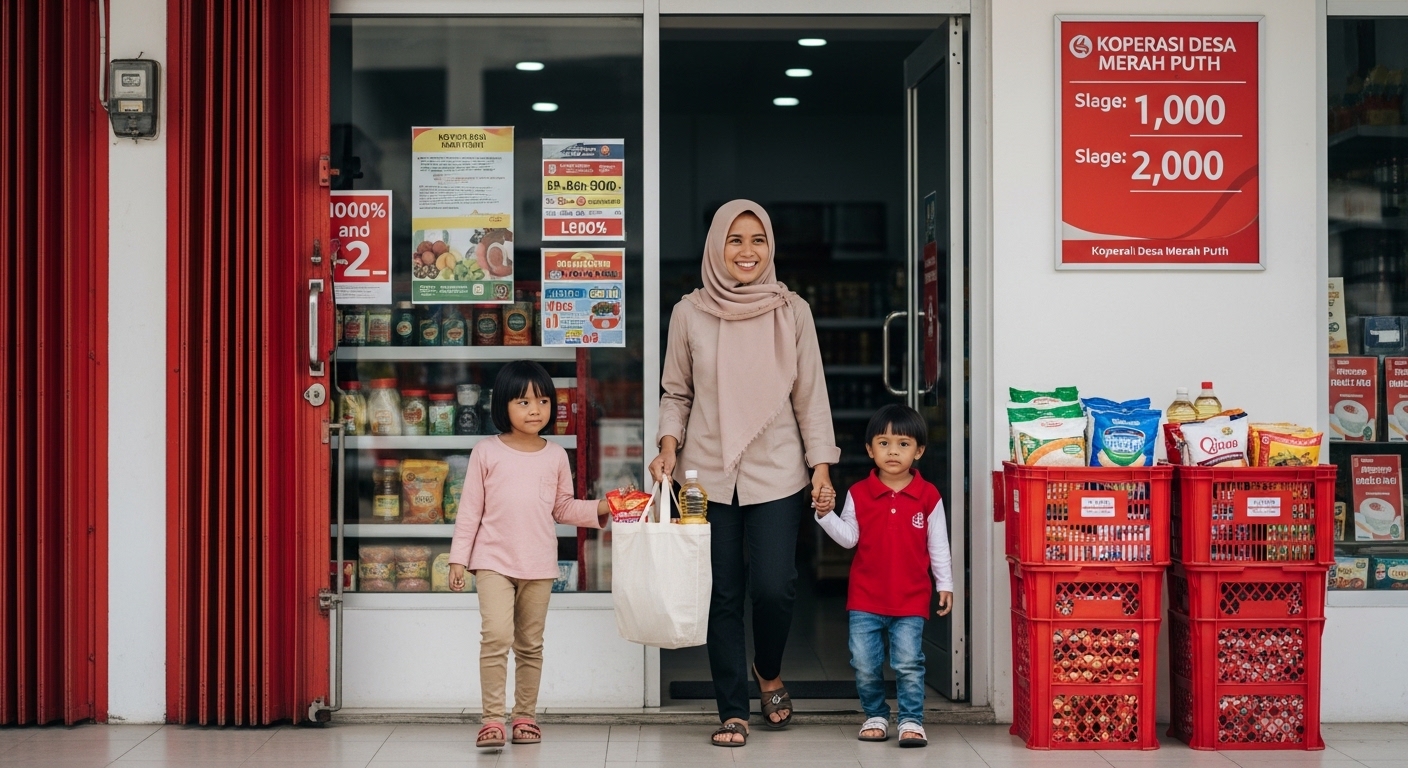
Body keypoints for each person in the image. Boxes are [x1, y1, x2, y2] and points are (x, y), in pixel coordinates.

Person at [649, 199, 840, 747]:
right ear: (716, 245)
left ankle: (769, 670)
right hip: (705, 474)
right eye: (735, 239)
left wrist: (821, 468)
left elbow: (811, 398)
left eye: (758, 239)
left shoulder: (792, 311)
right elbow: (676, 393)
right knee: (722, 592)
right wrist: (668, 449)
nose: (747, 251)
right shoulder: (689, 313)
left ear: (770, 247)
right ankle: (732, 708)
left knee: (776, 586)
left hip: (777, 468)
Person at [448, 360, 610, 749]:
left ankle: (524, 717)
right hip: (492, 561)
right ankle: (491, 720)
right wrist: (458, 558)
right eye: (523, 402)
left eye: (542, 401)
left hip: (538, 564)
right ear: (502, 405)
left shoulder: (555, 455)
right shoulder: (486, 452)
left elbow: (563, 508)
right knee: (497, 636)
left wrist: (603, 507)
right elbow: (469, 510)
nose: (534, 410)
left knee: (530, 644)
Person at [812, 404, 953, 748]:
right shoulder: (859, 494)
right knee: (864, 662)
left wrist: (945, 583)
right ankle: (875, 714)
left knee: (908, 662)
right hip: (866, 599)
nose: (893, 451)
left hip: (911, 598)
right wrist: (825, 515)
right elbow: (849, 538)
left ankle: (910, 720)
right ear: (869, 449)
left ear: (919, 451)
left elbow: (938, 545)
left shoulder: (928, 495)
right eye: (884, 443)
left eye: (903, 444)